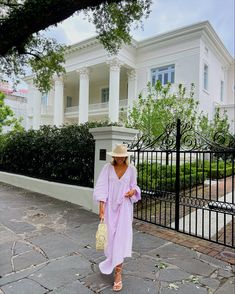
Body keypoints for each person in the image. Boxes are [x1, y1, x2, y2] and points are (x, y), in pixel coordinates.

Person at [93, 144, 141, 292]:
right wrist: (101, 209)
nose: (119, 159)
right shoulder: (107, 168)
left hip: (125, 207)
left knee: (121, 238)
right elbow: (101, 188)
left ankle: (118, 274)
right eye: (117, 156)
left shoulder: (132, 169)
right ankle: (111, 261)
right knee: (110, 238)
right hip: (109, 208)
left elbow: (135, 187)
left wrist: (133, 191)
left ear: (126, 156)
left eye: (122, 157)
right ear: (113, 156)